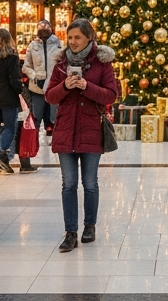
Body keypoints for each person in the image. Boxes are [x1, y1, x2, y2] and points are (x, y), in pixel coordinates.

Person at [45, 18, 119, 253]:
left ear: (89, 38)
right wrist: (65, 86)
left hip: (91, 130)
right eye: (70, 37)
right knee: (68, 184)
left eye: (77, 37)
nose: (73, 42)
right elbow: (50, 96)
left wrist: (87, 87)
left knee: (90, 183)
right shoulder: (60, 63)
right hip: (66, 130)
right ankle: (70, 232)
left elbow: (111, 95)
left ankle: (90, 226)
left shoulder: (102, 63)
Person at [0, 28, 25, 174]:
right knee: (9, 127)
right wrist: (20, 90)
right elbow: (14, 78)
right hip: (8, 97)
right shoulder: (11, 56)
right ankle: (2, 154)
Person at [22, 20, 62, 133]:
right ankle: (34, 140)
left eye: (46, 28)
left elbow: (62, 64)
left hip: (54, 86)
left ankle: (55, 138)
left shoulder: (58, 45)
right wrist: (34, 76)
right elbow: (26, 66)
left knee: (55, 118)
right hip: (37, 87)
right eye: (41, 28)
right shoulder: (33, 46)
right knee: (36, 117)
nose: (43, 30)